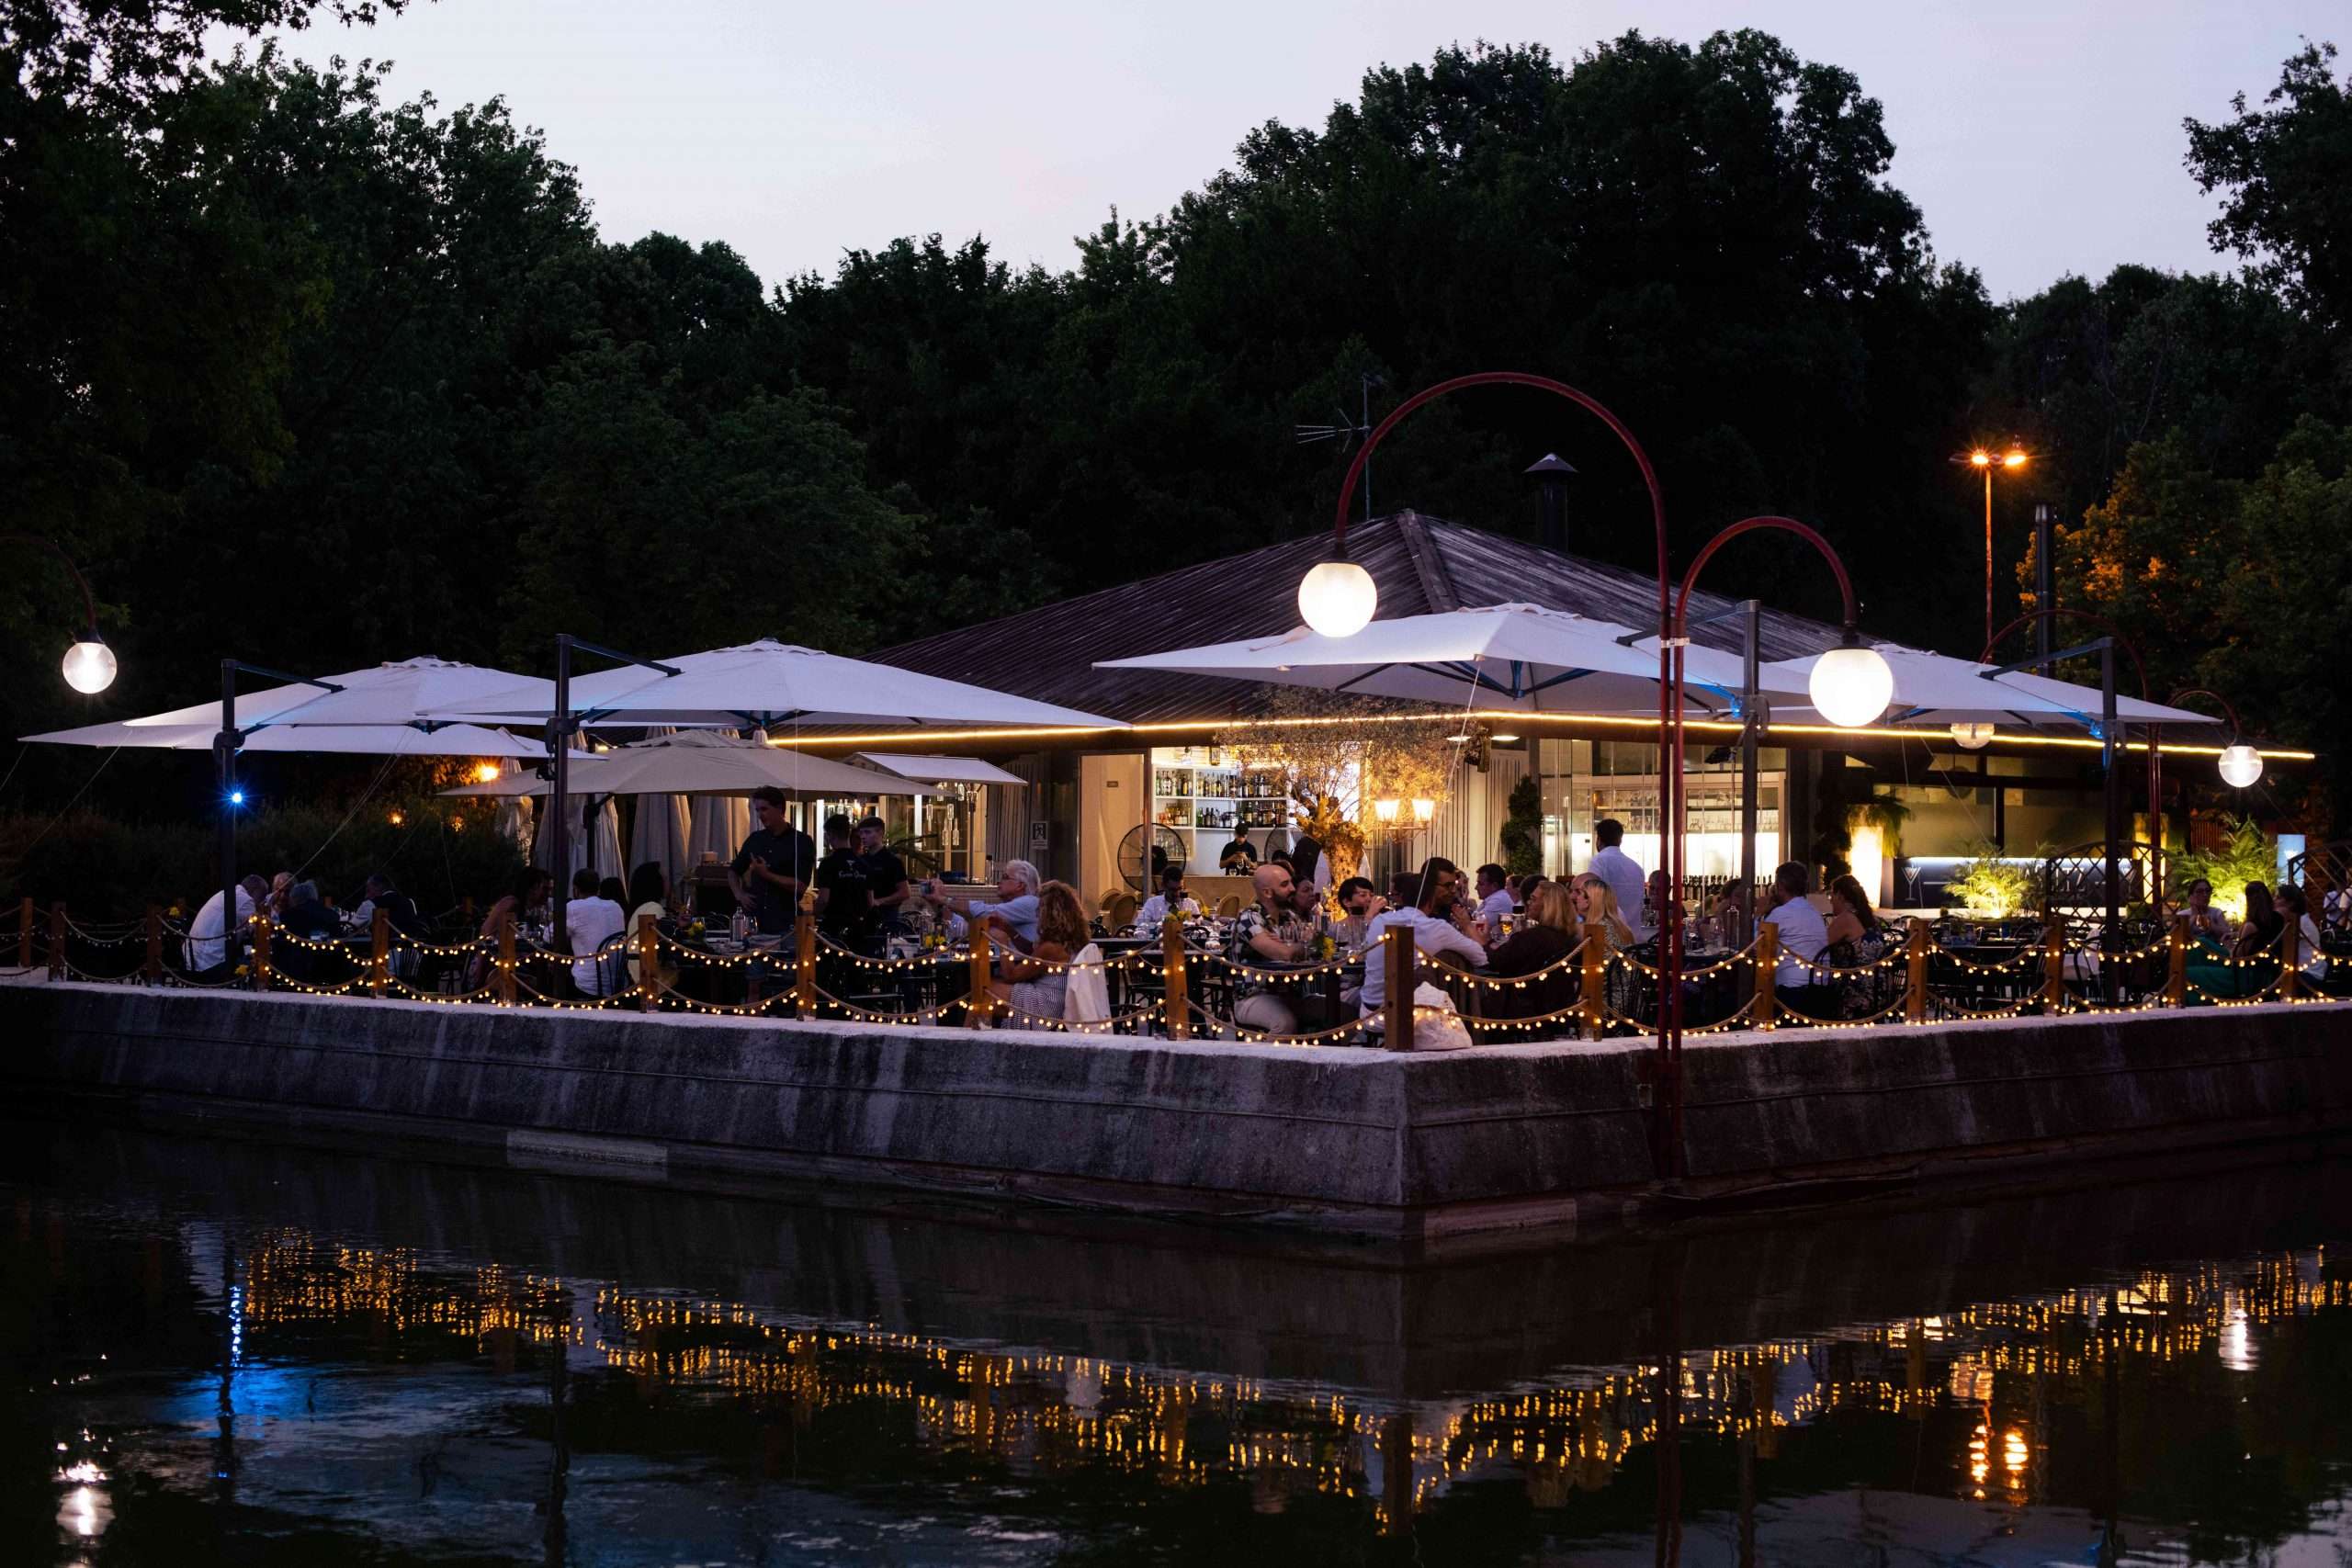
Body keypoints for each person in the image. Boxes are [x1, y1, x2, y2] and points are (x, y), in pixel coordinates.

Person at [1359, 857, 1487, 1021]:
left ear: (1402, 898)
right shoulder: (1437, 928)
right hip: (1407, 1016)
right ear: (1431, 899)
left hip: (1368, 1013)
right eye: (1448, 886)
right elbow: (1481, 958)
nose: (1453, 891)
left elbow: (1363, 952)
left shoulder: (1379, 921)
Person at [982, 880, 1092, 1027]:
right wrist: (1009, 930)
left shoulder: (1051, 947)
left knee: (984, 991)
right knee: (991, 988)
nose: (1036, 914)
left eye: (1039, 909)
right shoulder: (1070, 940)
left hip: (1046, 1002)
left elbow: (1011, 975)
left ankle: (968, 1035)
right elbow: (1032, 953)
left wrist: (1002, 943)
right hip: (1059, 998)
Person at [1486, 881, 1583, 1037]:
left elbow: (1495, 961)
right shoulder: (1572, 940)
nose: (1528, 903)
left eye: (1533, 899)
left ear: (1548, 905)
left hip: (1519, 1009)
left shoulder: (1531, 938)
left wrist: (1481, 940)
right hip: (1558, 1011)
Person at [1229, 863, 1311, 1035]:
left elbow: (1315, 946)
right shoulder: (1249, 918)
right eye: (1285, 884)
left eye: (1291, 882)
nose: (1292, 888)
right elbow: (1284, 953)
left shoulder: (1289, 916)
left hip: (1292, 994)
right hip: (1253, 996)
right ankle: (1269, 1054)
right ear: (1267, 892)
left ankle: (1316, 1052)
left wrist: (1292, 945)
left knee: (1344, 1012)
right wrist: (1293, 947)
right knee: (1285, 1023)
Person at [729, 785, 817, 937]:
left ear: (780, 809)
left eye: (764, 809)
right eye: (757, 810)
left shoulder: (801, 841)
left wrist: (766, 874)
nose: (760, 815)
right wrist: (739, 894)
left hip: (784, 922)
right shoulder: (755, 839)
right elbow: (733, 871)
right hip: (754, 920)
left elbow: (800, 886)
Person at [1761, 861, 1829, 1012]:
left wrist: (1760, 912)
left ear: (1780, 886)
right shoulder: (1814, 912)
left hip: (1792, 992)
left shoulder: (1780, 913)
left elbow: (1757, 945)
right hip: (1822, 989)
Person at [928, 860, 1041, 948]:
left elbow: (983, 913)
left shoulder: (1030, 902)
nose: (999, 881)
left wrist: (942, 898)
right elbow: (962, 927)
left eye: (1005, 877)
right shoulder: (1012, 908)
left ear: (1020, 885)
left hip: (1021, 969)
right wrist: (936, 902)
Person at [186, 874, 269, 975]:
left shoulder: (225, 893)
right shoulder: (246, 900)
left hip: (192, 958)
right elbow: (257, 932)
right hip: (210, 962)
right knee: (252, 963)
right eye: (262, 896)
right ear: (255, 890)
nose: (261, 901)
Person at [813, 815, 875, 947]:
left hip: (833, 929)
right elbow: (870, 902)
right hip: (858, 928)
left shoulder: (828, 864)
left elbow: (823, 899)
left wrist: (812, 916)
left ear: (830, 834)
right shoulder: (863, 864)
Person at [564, 868, 627, 997]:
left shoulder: (573, 907)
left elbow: (549, 936)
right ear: (598, 888)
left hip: (586, 986)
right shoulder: (616, 906)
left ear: (575, 889)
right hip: (618, 985)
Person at [1587, 819, 1648, 939]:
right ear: (1620, 840)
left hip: (1609, 938)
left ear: (1599, 839)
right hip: (1634, 937)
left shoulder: (1598, 862)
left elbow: (1593, 898)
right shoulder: (1636, 867)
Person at [855, 816, 913, 939]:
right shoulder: (860, 860)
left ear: (880, 833)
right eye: (861, 833)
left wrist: (879, 901)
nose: (863, 836)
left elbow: (905, 893)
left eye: (867, 832)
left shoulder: (892, 861)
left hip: (887, 918)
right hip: (863, 919)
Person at [624, 862, 670, 988]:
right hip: (649, 977)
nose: (668, 882)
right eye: (665, 878)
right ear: (656, 882)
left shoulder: (641, 908)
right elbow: (662, 944)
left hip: (636, 971)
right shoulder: (653, 909)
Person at [2277, 885, 2330, 986]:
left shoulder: (2300, 923)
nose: (2274, 900)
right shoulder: (2299, 920)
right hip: (2308, 972)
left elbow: (2282, 945)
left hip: (2310, 974)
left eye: (2278, 897)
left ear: (2290, 903)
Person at [1569, 873, 1637, 949]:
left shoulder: (1599, 927)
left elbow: (1591, 955)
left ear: (1587, 901)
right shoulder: (1612, 922)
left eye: (1579, 893)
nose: (1572, 897)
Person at [353, 873, 425, 940]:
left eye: (368, 890)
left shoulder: (370, 904)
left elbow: (352, 927)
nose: (366, 896)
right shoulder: (409, 902)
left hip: (382, 948)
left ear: (379, 887)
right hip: (411, 947)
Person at [1137, 864, 1199, 929]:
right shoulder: (1152, 903)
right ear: (1163, 886)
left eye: (1180, 889)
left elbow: (1200, 926)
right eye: (1173, 890)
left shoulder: (1190, 904)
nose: (1177, 893)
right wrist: (1158, 925)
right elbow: (1140, 925)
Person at [2234, 882, 2283, 961]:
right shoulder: (2279, 918)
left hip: (2252, 967)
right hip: (2275, 966)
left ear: (2249, 900)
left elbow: (2237, 958)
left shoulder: (2251, 926)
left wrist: (2228, 945)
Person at [1332, 876, 1383, 953]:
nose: (1369, 899)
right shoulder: (1336, 928)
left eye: (1371, 895)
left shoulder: (1380, 924)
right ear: (1347, 902)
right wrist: (1369, 916)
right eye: (1363, 895)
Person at [1473, 863, 1515, 945]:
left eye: (1480, 884)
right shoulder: (1494, 898)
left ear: (1494, 886)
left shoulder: (1499, 900)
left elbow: (1476, 926)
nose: (1476, 887)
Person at [2182, 878, 2229, 942]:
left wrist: (2210, 923)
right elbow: (2179, 935)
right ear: (2191, 896)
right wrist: (2194, 915)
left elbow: (2227, 934)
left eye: (2207, 891)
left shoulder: (2216, 912)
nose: (2205, 894)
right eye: (2200, 891)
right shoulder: (2183, 914)